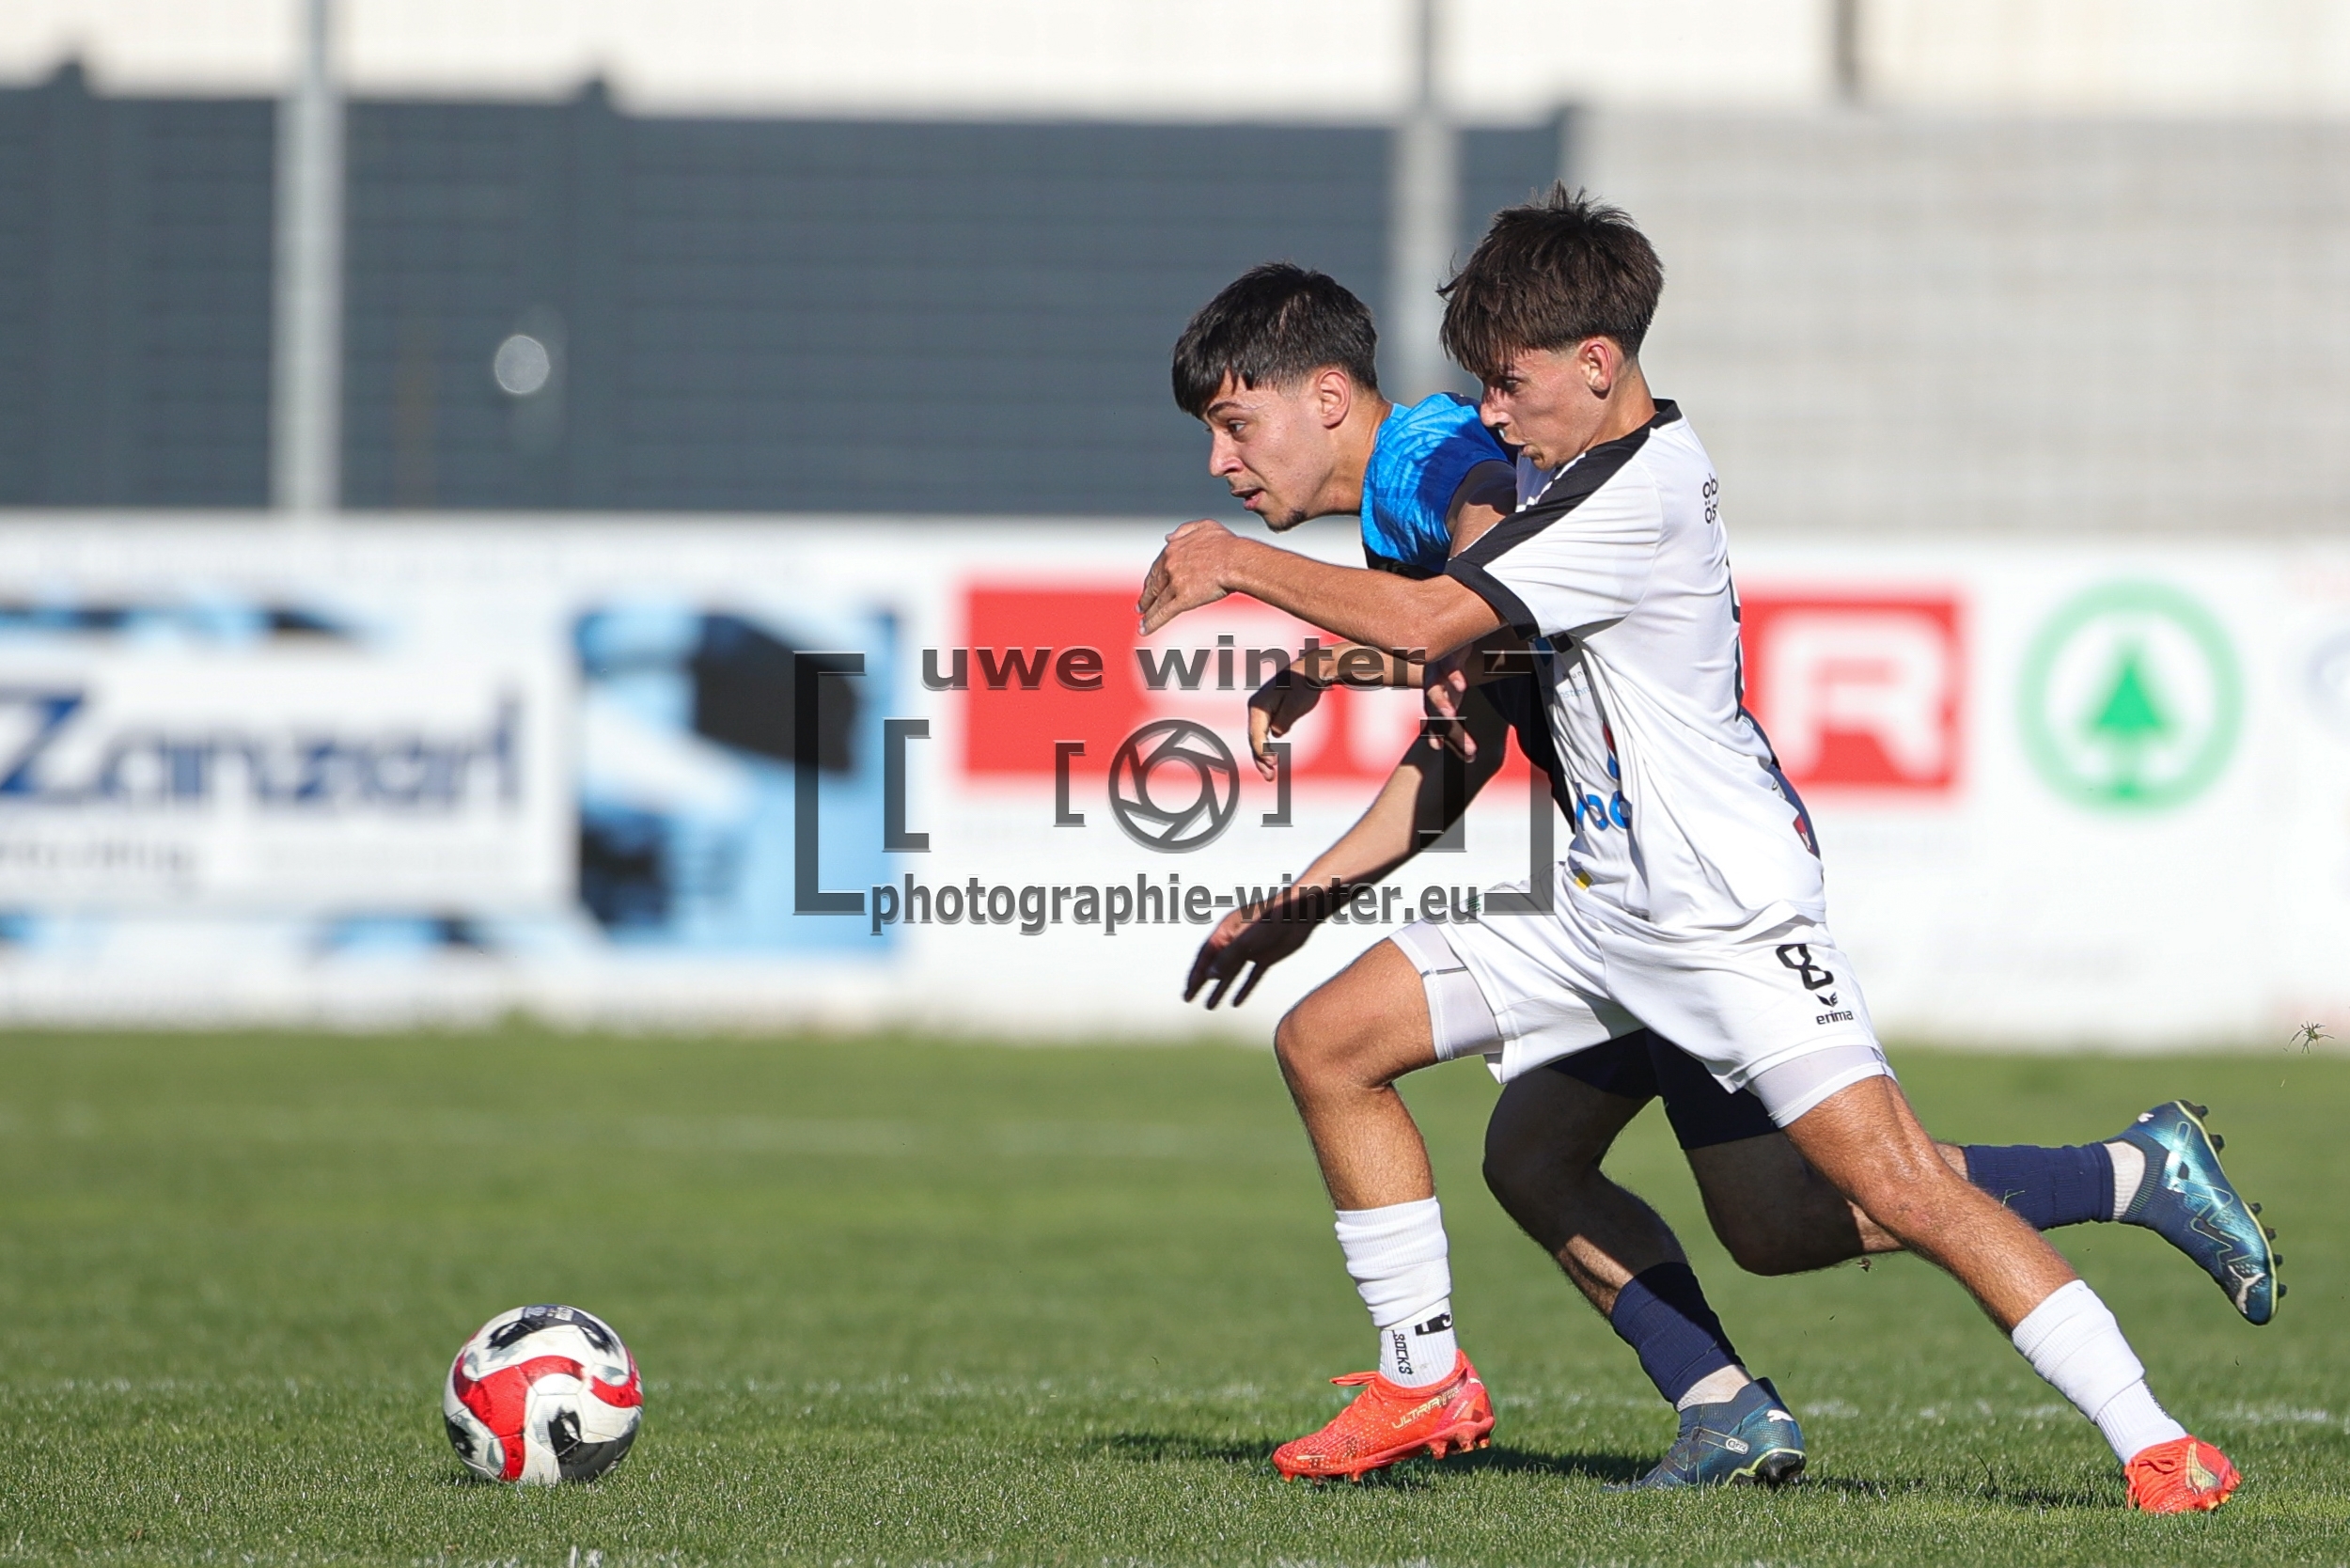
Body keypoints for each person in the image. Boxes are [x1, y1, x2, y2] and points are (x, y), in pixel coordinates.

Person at [1141, 190, 2247, 1512]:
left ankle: (2156, 1437)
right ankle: (1502, 1386)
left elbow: (1451, 603)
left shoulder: (1520, 477)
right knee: (1406, 1082)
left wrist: (1249, 574)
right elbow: (1479, 655)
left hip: (1721, 913)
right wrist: (1347, 697)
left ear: (1594, 364)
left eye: (1508, 384)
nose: (1488, 413)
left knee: (1889, 1187)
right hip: (1609, 902)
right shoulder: (1562, 466)